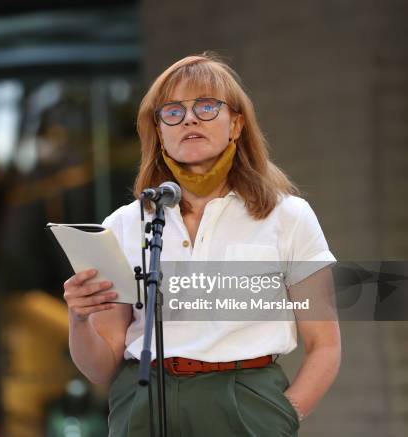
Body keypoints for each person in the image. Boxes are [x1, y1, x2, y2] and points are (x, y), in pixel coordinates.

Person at [63, 51, 341, 436]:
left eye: (207, 106)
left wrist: (282, 416)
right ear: (159, 130)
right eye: (172, 112)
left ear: (237, 124)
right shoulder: (123, 225)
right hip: (144, 402)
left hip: (245, 399)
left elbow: (324, 345)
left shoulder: (287, 216)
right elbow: (100, 366)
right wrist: (78, 320)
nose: (189, 118)